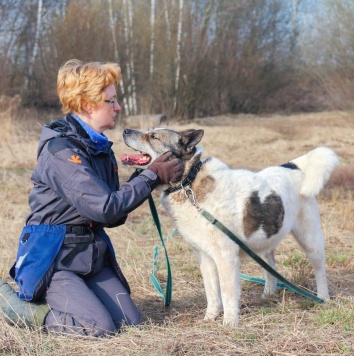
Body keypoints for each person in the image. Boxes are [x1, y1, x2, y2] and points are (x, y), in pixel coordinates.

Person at [0, 59, 183, 337]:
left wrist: (147, 175)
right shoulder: (61, 151)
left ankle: (77, 297)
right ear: (87, 105)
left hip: (90, 256)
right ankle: (22, 309)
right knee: (98, 327)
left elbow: (114, 217)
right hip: (55, 261)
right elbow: (105, 209)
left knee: (131, 323)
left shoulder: (99, 147)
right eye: (111, 101)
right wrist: (150, 176)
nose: (118, 107)